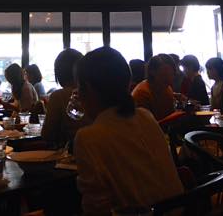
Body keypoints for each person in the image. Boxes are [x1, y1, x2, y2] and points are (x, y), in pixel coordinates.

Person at [73, 47, 183, 215]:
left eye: (79, 87)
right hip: (180, 210)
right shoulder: (145, 116)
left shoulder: (87, 138)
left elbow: (95, 208)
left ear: (87, 88)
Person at [42, 49, 89, 147]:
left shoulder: (58, 96)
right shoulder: (93, 94)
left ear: (59, 72)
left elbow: (47, 135)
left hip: (70, 152)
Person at [131, 54, 178, 121]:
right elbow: (144, 123)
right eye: (164, 74)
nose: (169, 78)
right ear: (152, 72)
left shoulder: (166, 87)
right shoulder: (142, 93)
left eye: (171, 74)